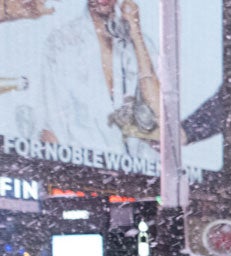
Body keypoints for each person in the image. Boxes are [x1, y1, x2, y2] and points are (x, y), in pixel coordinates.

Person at [38, 0, 161, 161]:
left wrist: (135, 33)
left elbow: (158, 112)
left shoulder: (141, 45)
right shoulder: (62, 41)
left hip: (135, 175)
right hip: (81, 170)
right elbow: (51, 124)